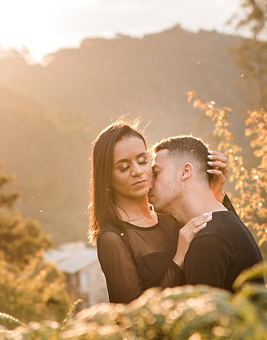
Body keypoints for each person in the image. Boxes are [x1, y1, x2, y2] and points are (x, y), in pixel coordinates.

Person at [88, 122, 229, 304]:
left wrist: (215, 195)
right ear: (107, 177)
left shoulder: (171, 217)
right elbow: (134, 317)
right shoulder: (113, 239)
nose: (138, 172)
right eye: (124, 167)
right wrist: (177, 260)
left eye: (142, 161)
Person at [148, 135, 263, 291]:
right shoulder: (222, 225)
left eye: (156, 172)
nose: (149, 183)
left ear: (185, 172)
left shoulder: (209, 241)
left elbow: (201, 315)